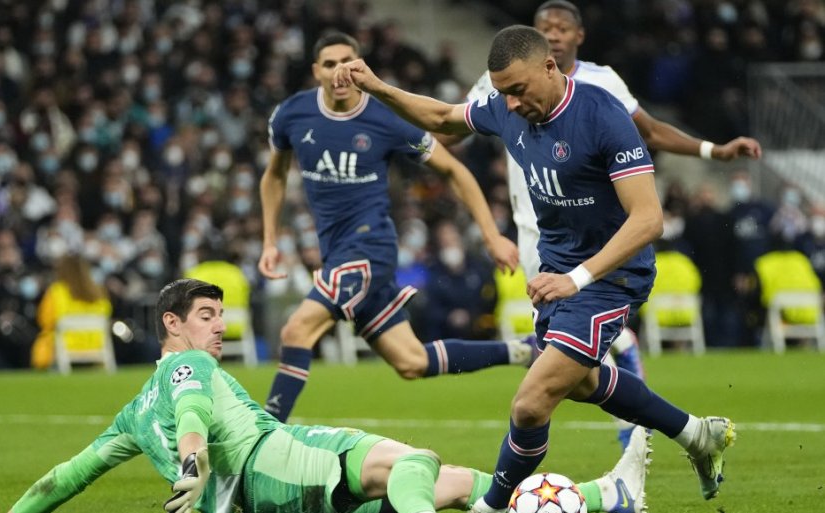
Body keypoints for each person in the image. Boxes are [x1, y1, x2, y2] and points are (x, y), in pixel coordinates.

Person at [333, 24, 736, 511]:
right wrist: (377, 87)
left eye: (519, 90)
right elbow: (442, 116)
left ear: (549, 67)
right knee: (582, 381)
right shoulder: (507, 109)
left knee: (530, 403)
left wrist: (576, 279)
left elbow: (649, 220)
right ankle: (696, 434)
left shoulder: (601, 114)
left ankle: (491, 506)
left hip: (610, 277)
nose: (511, 103)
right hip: (556, 272)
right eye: (502, 92)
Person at [7, 278, 653, 513]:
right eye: (206, 315)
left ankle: (608, 495)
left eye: (220, 314)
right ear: (171, 324)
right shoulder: (189, 366)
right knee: (414, 462)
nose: (219, 326)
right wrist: (193, 460)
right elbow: (193, 412)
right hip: (278, 459)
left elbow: (65, 478)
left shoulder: (131, 414)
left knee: (455, 484)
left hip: (262, 498)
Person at [453, 0, 763, 448]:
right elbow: (446, 128)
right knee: (571, 373)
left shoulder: (602, 84)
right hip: (535, 237)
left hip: (594, 243)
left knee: (546, 383)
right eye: (544, 26)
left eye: (562, 28)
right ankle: (684, 426)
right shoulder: (499, 84)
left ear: (578, 36)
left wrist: (711, 150)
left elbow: (650, 133)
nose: (553, 33)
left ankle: (628, 434)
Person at [259, 31, 529, 423]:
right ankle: (522, 350)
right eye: (330, 64)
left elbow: (453, 170)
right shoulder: (291, 115)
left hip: (370, 250)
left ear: (360, 66)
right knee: (412, 361)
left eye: (347, 61)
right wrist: (270, 241)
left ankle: (262, 435)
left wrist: (491, 235)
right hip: (338, 253)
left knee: (296, 331)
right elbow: (274, 176)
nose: (339, 71)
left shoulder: (385, 118)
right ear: (317, 71)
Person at [30, 253, 112, 370]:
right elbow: (106, 314)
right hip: (96, 344)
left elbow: (45, 321)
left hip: (65, 346)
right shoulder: (99, 291)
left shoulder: (56, 292)